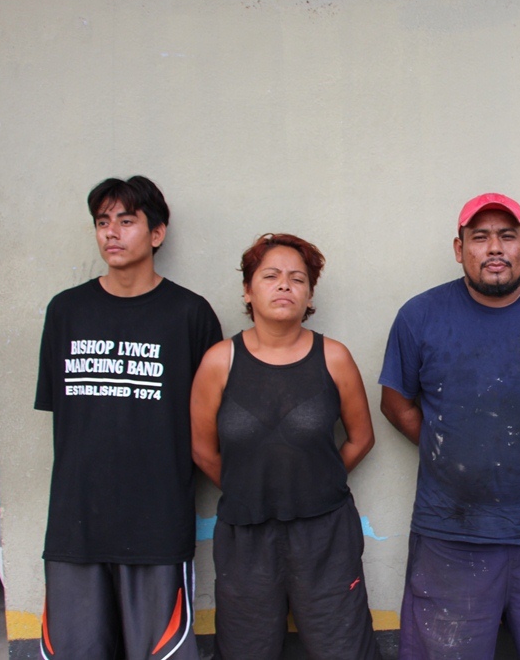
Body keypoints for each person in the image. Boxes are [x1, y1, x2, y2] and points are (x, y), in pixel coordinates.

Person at [380, 193, 520, 659]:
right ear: (458, 247)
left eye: (507, 236)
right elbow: (395, 402)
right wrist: (443, 446)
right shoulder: (419, 316)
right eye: (479, 237)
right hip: (449, 530)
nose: (494, 248)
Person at [35, 176, 222, 659]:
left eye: (126, 221)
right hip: (76, 528)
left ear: (156, 233)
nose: (111, 233)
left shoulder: (190, 314)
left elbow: (210, 422)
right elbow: (70, 415)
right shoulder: (66, 312)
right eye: (102, 222)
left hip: (157, 525)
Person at [190, 233, 380, 660]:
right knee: (245, 648)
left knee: (343, 645)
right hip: (246, 535)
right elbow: (203, 451)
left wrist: (316, 481)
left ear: (310, 294)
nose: (284, 286)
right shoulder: (219, 362)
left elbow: (362, 437)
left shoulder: (334, 358)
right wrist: (249, 487)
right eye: (270, 276)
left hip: (326, 533)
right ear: (247, 289)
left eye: (297, 278)